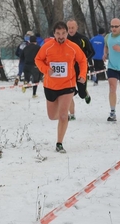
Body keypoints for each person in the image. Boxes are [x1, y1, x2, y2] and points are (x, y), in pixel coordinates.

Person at [35, 21, 87, 153]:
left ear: (66, 33)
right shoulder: (47, 47)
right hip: (50, 85)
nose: (61, 36)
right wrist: (46, 69)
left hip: (67, 85)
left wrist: (82, 75)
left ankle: (59, 143)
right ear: (54, 34)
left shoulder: (73, 47)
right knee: (52, 116)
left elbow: (82, 60)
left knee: (63, 115)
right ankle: (63, 118)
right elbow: (38, 60)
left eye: (63, 33)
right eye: (58, 34)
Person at [66, 19, 95, 121]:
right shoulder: (64, 39)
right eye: (69, 28)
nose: (71, 30)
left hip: (81, 68)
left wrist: (85, 59)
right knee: (69, 93)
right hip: (69, 70)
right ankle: (72, 114)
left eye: (73, 27)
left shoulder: (83, 39)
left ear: (77, 27)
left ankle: (85, 93)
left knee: (81, 95)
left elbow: (92, 52)